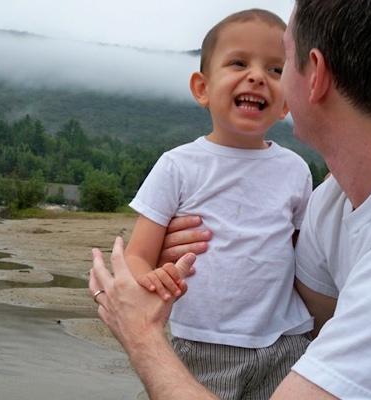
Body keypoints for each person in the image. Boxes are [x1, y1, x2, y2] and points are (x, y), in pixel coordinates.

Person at [90, 1, 371, 399]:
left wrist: (142, 335)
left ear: (314, 76)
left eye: (281, 62)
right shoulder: (334, 203)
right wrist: (187, 261)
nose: (261, 78)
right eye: (239, 63)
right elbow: (313, 311)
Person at [124, 9, 313, 399]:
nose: (258, 76)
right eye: (239, 63)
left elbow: (302, 257)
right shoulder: (178, 165)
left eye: (276, 70)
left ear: (287, 103)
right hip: (202, 346)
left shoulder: (296, 170)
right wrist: (150, 278)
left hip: (286, 344)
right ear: (202, 88)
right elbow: (136, 257)